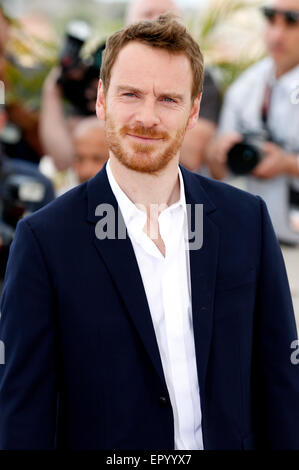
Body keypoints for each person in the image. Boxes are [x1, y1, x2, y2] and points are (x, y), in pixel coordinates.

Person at [0, 14, 298, 451]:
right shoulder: (44, 242)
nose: (147, 117)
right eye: (130, 95)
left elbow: (281, 384)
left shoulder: (246, 221)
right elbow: (23, 416)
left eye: (168, 100)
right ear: (102, 100)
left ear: (194, 111)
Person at [207, 0, 299, 241]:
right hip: (254, 241)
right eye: (271, 18)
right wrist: (220, 151)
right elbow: (218, 174)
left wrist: (288, 164)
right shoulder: (246, 86)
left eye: (292, 21)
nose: (277, 35)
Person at [127, 0, 221, 172]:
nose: (157, 21)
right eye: (147, 14)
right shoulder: (104, 73)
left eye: (168, 98)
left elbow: (191, 155)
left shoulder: (201, 78)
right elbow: (72, 151)